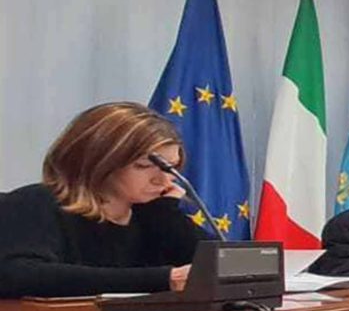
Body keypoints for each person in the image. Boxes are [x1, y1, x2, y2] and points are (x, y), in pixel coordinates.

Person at [0, 102, 203, 297]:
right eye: (143, 166)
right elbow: (18, 274)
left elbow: (216, 267)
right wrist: (162, 279)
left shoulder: (156, 215)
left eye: (171, 167)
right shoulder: (36, 202)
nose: (163, 179)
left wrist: (167, 215)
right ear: (99, 162)